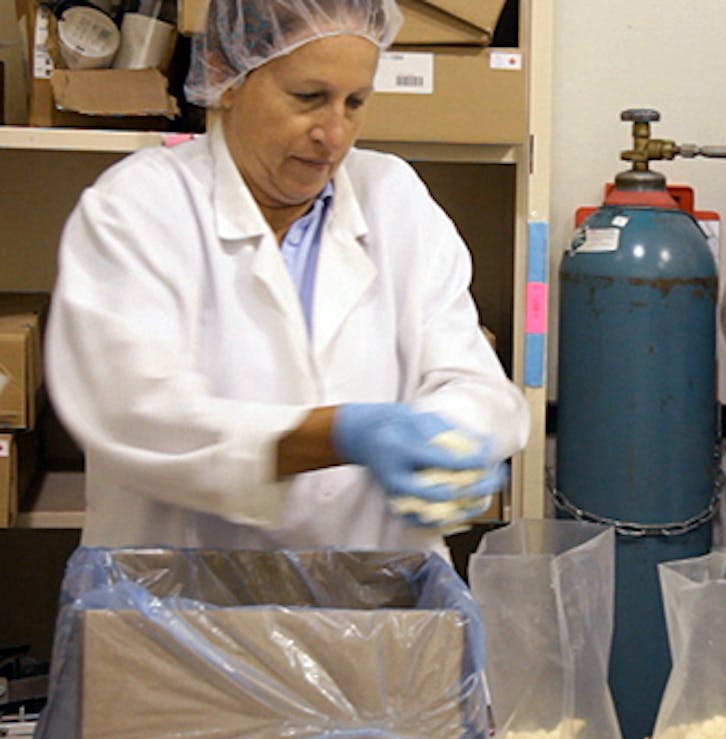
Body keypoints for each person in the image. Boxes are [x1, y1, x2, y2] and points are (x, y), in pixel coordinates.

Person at [44, 0, 530, 558]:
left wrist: (455, 438)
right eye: (309, 98)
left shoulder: (394, 198)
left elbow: (471, 378)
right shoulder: (138, 207)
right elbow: (136, 412)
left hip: (367, 606)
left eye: (356, 102)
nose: (335, 134)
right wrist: (340, 434)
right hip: (183, 606)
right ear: (230, 77)